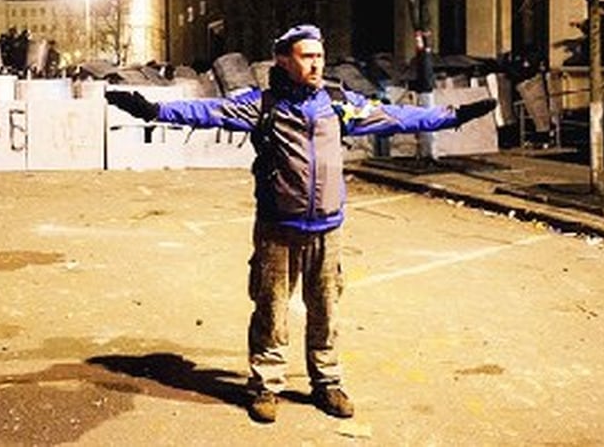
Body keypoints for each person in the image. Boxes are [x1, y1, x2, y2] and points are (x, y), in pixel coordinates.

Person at [104, 24, 496, 424]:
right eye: (307, 56)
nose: (316, 63)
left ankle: (327, 383)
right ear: (284, 60)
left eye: (320, 56)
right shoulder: (263, 105)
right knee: (271, 311)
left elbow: (397, 116)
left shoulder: (339, 104)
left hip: (327, 230)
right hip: (278, 229)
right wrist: (154, 111)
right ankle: (264, 387)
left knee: (325, 311)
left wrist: (453, 116)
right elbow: (209, 112)